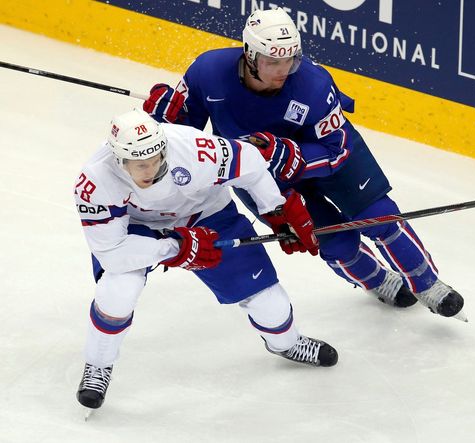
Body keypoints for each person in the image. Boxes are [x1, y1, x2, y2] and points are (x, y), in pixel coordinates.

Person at [143, 7, 466, 321]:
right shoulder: (207, 71)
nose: (283, 70)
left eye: (291, 60)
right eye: (273, 61)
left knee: (379, 217)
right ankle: (378, 281)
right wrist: (165, 123)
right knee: (332, 240)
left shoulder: (313, 84)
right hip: (263, 178)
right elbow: (188, 139)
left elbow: (337, 149)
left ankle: (428, 285)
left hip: (326, 156)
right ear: (250, 55)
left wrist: (293, 155)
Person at [74, 109, 338, 413]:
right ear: (119, 160)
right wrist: (175, 248)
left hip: (207, 214)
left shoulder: (193, 149)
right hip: (137, 225)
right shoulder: (95, 180)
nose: (151, 169)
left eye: (157, 158)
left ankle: (286, 343)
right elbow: (114, 253)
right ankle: (98, 364)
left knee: (270, 303)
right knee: (118, 290)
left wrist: (275, 208)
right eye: (140, 164)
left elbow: (250, 162)